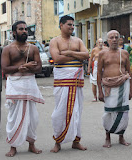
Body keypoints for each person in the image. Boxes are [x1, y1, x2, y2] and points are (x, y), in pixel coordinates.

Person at [2, 21, 44, 157]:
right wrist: (19, 68)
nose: (24, 31)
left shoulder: (33, 49)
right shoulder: (8, 49)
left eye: (26, 29)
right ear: (14, 32)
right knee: (14, 117)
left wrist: (29, 67)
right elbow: (5, 68)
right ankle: (13, 146)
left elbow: (39, 68)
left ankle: (31, 144)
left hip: (29, 84)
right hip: (15, 84)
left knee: (32, 118)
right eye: (21, 29)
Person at [49, 15, 89, 153]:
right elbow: (57, 59)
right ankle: (58, 141)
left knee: (76, 112)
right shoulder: (55, 41)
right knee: (60, 112)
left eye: (73, 25)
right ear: (61, 25)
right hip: (62, 81)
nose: (72, 27)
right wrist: (77, 55)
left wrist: (70, 52)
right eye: (69, 24)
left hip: (76, 81)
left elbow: (86, 55)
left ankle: (76, 141)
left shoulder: (77, 41)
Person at [97, 30, 132, 148]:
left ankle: (121, 137)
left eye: (116, 37)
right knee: (109, 112)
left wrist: (131, 90)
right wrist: (99, 91)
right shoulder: (102, 54)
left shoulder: (125, 53)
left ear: (120, 39)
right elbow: (98, 73)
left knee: (123, 112)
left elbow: (129, 71)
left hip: (123, 85)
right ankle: (107, 137)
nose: (114, 39)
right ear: (107, 40)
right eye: (111, 37)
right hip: (108, 86)